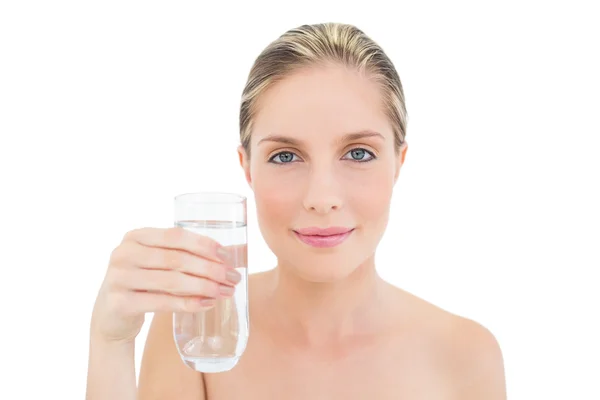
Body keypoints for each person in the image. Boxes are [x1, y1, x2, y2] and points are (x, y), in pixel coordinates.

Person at [86, 22, 507, 399]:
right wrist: (110, 342)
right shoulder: (199, 335)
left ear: (399, 162)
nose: (321, 197)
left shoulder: (466, 356)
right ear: (246, 168)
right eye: (286, 157)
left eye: (358, 153)